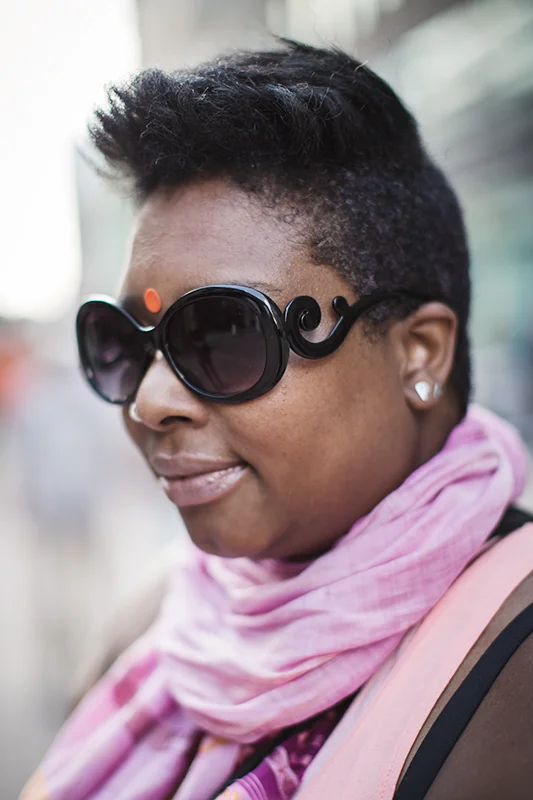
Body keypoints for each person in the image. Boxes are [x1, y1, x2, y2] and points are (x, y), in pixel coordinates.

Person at [22, 39, 533, 800]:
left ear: (419, 353)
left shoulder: (513, 682)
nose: (149, 402)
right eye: (122, 342)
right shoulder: (159, 621)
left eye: (224, 333)